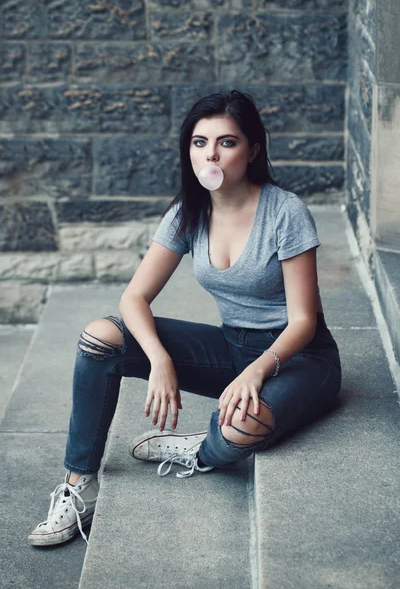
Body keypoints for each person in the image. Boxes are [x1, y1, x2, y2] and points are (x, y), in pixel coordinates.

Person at [28, 90, 341, 547]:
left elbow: (303, 321)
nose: (210, 154)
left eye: (226, 142)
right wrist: (159, 360)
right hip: (232, 347)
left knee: (239, 429)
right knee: (101, 337)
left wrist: (256, 372)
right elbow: (134, 297)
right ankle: (78, 486)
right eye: (199, 142)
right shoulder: (188, 212)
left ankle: (202, 445)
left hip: (299, 359)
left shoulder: (285, 212)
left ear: (252, 150)